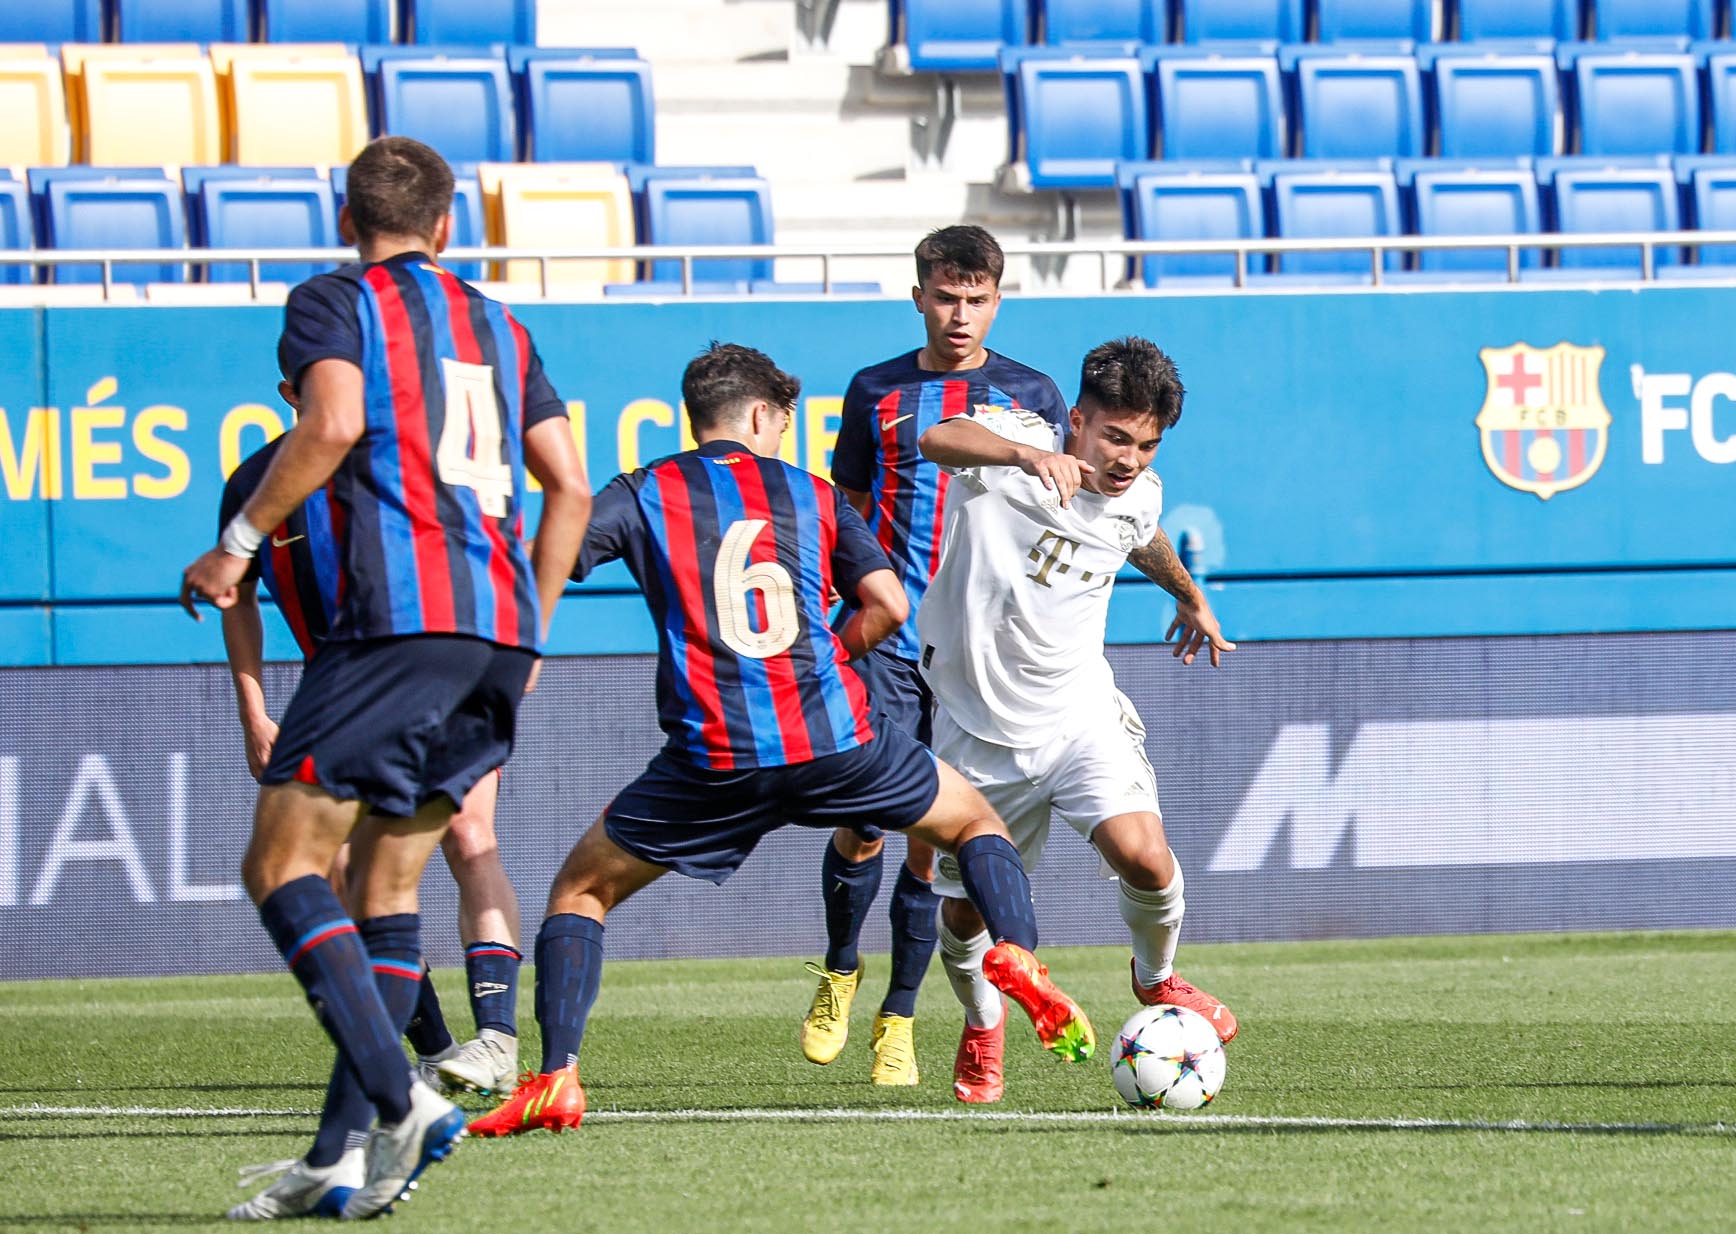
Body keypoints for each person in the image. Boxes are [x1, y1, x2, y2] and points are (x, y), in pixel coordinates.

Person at [465, 343, 1092, 1139]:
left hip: (712, 757)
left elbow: (554, 551)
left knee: (580, 894)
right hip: (835, 737)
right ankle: (1016, 952)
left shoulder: (646, 489)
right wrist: (830, 655)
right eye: (784, 420)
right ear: (763, 416)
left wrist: (514, 648)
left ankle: (555, 1079)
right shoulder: (812, 493)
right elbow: (890, 604)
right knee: (973, 825)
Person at [179, 135, 593, 1218]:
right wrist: (535, 625)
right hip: (498, 632)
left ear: (347, 218)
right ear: (448, 227)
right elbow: (571, 488)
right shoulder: (500, 323)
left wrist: (238, 541)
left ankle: (397, 1099)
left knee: (280, 868)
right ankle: (336, 1155)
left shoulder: (333, 300)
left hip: (397, 625)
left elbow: (331, 422)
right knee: (386, 889)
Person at [915, 336, 1238, 1105]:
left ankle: (1154, 977)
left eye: (1146, 443)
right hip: (974, 726)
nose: (1128, 457)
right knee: (964, 917)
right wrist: (1023, 459)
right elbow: (933, 438)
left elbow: (1138, 532)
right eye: (1116, 437)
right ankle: (983, 1023)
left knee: (1147, 859)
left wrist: (1186, 594)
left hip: (1077, 715)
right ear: (1078, 420)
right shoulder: (1011, 440)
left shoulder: (1139, 491)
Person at [804, 224, 1069, 1086]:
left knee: (931, 841)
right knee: (863, 821)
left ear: (998, 298)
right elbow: (844, 506)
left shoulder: (1031, 393)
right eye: (945, 297)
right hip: (885, 637)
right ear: (917, 295)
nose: (960, 314)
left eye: (976, 298)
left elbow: (1061, 512)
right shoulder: (873, 391)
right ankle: (841, 970)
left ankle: (899, 1016)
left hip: (976, 650)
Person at [217, 418, 528, 1107]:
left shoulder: (414, 454)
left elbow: (492, 549)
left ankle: (498, 1041)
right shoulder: (257, 481)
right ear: (291, 393)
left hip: (446, 675)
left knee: (470, 836)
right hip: (341, 698)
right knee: (345, 875)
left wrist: (519, 638)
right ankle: (438, 1055)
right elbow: (235, 595)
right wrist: (253, 710)